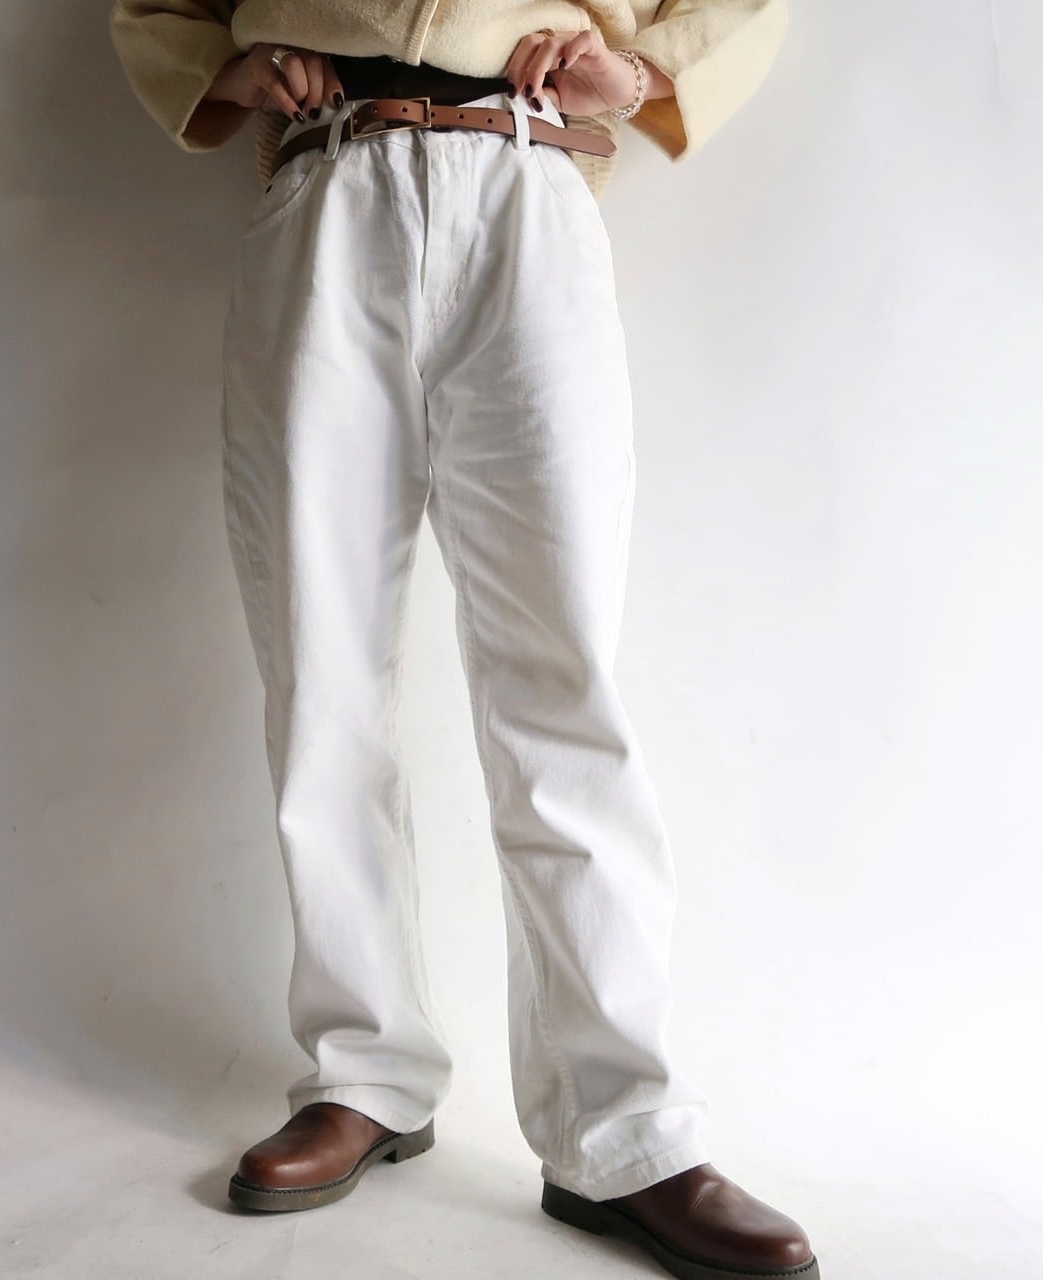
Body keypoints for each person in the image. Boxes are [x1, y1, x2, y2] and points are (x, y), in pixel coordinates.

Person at [109, 4, 817, 1277]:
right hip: (325, 177)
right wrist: (218, 67)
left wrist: (640, 73)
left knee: (563, 681)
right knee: (320, 670)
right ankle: (364, 1069)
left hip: (528, 180)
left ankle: (623, 1129)